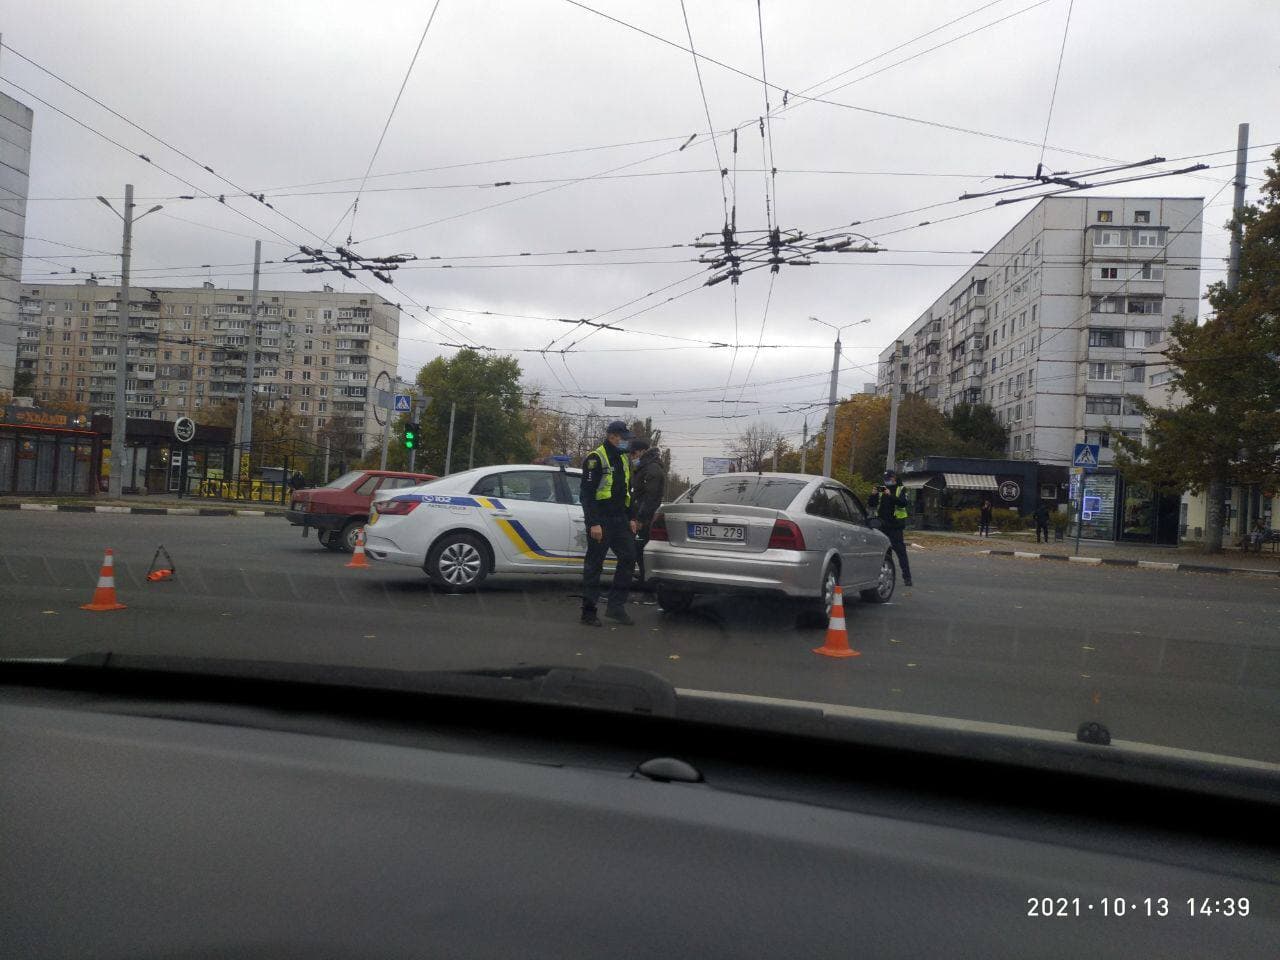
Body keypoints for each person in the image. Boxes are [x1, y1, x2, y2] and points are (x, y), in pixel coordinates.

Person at [579, 420, 638, 626]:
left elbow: (627, 492)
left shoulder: (623, 459)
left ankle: (615, 607)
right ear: (612, 436)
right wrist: (593, 523)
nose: (626, 442)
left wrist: (631, 517)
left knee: (629, 558)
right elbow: (586, 495)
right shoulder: (596, 458)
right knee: (595, 564)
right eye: (623, 438)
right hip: (601, 520)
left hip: (620, 519)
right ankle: (588, 611)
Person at [628, 438, 667, 589]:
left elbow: (650, 497)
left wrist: (640, 519)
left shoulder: (652, 469)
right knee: (639, 548)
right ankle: (644, 580)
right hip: (641, 514)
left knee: (641, 548)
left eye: (634, 453)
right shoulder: (645, 467)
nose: (632, 457)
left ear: (643, 452)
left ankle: (647, 584)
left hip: (646, 518)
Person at [869, 469, 913, 587]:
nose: (886, 481)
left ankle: (907, 577)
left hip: (895, 526)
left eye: (888, 479)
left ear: (894, 477)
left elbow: (903, 503)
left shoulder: (901, 489)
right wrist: (873, 495)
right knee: (881, 552)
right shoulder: (882, 489)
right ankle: (878, 575)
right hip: (882, 525)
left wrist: (890, 495)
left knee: (901, 552)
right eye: (885, 479)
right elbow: (872, 504)